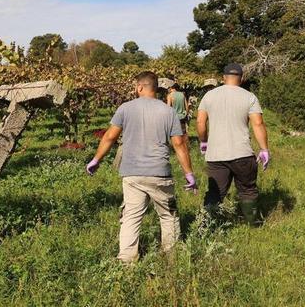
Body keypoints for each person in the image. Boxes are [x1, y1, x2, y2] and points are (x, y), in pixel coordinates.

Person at [85, 71, 197, 262]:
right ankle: (172, 257)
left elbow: (110, 137)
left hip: (132, 174)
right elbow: (179, 144)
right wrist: (189, 173)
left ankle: (127, 259)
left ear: (139, 87)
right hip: (159, 174)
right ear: (156, 89)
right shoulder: (168, 111)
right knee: (168, 216)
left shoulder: (125, 109)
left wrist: (96, 159)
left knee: (131, 216)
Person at [196, 63, 269, 226]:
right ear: (241, 79)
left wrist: (204, 141)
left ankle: (207, 227)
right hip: (242, 153)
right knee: (248, 190)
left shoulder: (209, 96)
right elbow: (258, 124)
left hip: (216, 155)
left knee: (215, 193)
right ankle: (253, 224)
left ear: (223, 78)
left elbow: (200, 121)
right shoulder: (249, 97)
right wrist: (264, 149)